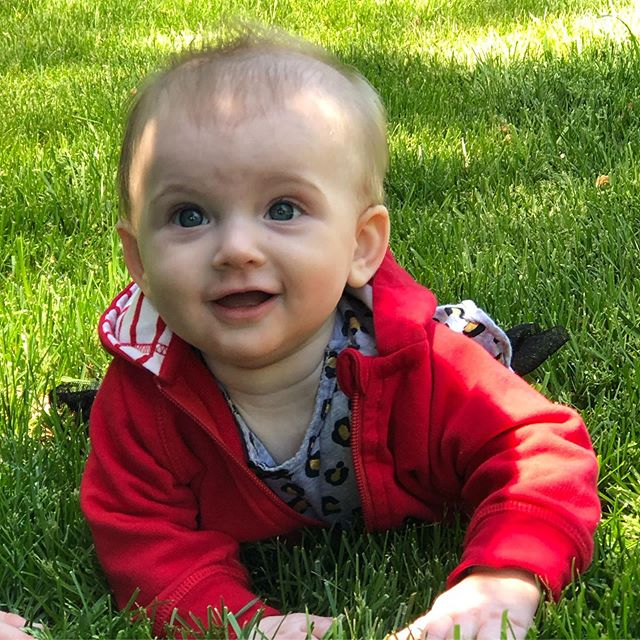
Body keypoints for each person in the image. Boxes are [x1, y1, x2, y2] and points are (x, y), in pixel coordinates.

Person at [80, 29, 600, 640]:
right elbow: (140, 535)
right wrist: (240, 624)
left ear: (361, 247)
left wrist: (503, 576)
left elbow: (538, 450)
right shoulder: (146, 397)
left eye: (282, 208)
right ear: (139, 260)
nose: (236, 249)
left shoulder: (423, 364)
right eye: (189, 215)